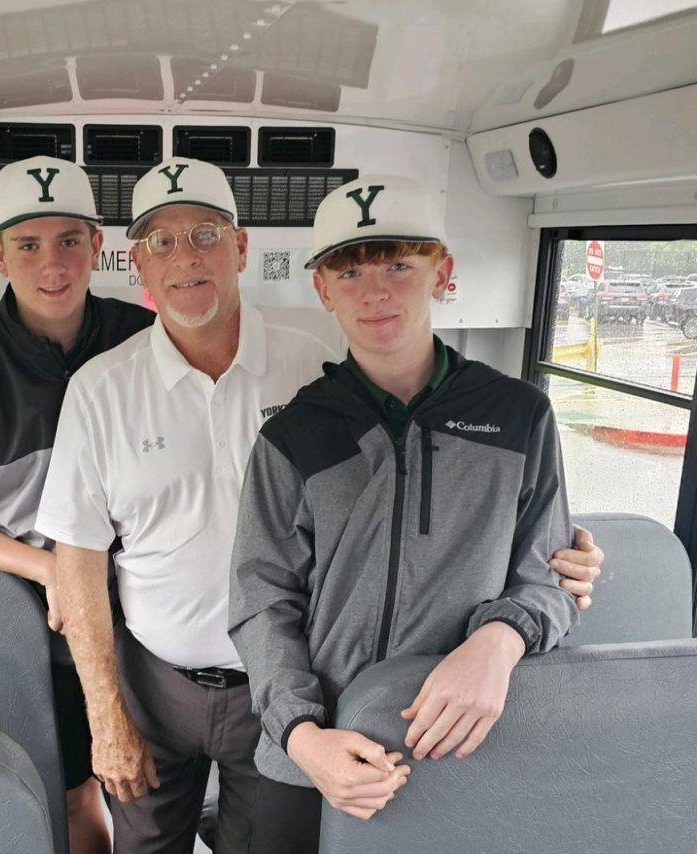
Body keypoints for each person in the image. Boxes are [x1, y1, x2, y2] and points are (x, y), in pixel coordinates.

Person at [36, 158, 603, 854]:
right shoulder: (113, 393)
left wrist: (525, 613)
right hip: (175, 684)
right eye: (162, 241)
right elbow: (112, 563)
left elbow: (537, 558)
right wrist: (107, 716)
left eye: (207, 234)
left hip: (315, 697)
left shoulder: (322, 365)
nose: (375, 295)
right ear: (137, 263)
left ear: (241, 248)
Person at [228, 174, 581, 853]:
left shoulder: (519, 416)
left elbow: (552, 571)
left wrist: (498, 642)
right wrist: (303, 735)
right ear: (323, 290)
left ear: (442, 273)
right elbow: (259, 600)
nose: (376, 290)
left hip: (467, 741)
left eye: (398, 264)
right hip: (317, 755)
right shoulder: (293, 434)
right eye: (351, 271)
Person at [0, 155, 155, 854]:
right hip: (43, 628)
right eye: (29, 245)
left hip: (153, 612)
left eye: (70, 240)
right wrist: (51, 571)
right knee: (77, 793)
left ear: (98, 247)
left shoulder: (146, 339)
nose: (53, 265)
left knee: (155, 786)